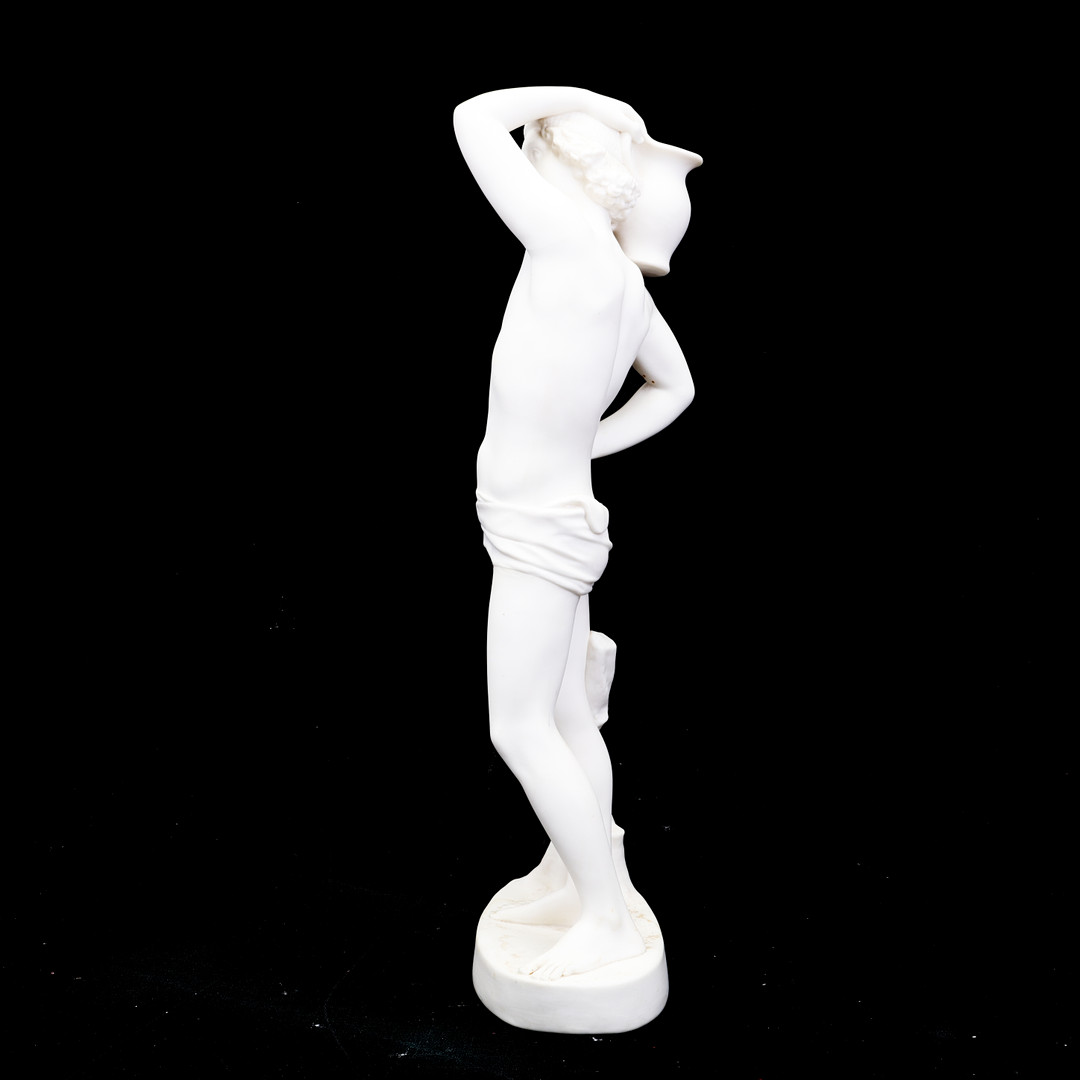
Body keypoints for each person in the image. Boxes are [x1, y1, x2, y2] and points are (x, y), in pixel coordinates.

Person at [454, 86, 699, 980]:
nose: (524, 158)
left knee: (518, 727)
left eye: (538, 147)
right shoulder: (620, 282)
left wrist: (587, 99)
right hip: (560, 512)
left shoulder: (563, 241)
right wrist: (581, 445)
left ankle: (602, 914)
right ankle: (586, 870)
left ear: (562, 162)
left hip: (535, 525)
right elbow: (676, 388)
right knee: (565, 713)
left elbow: (472, 117)